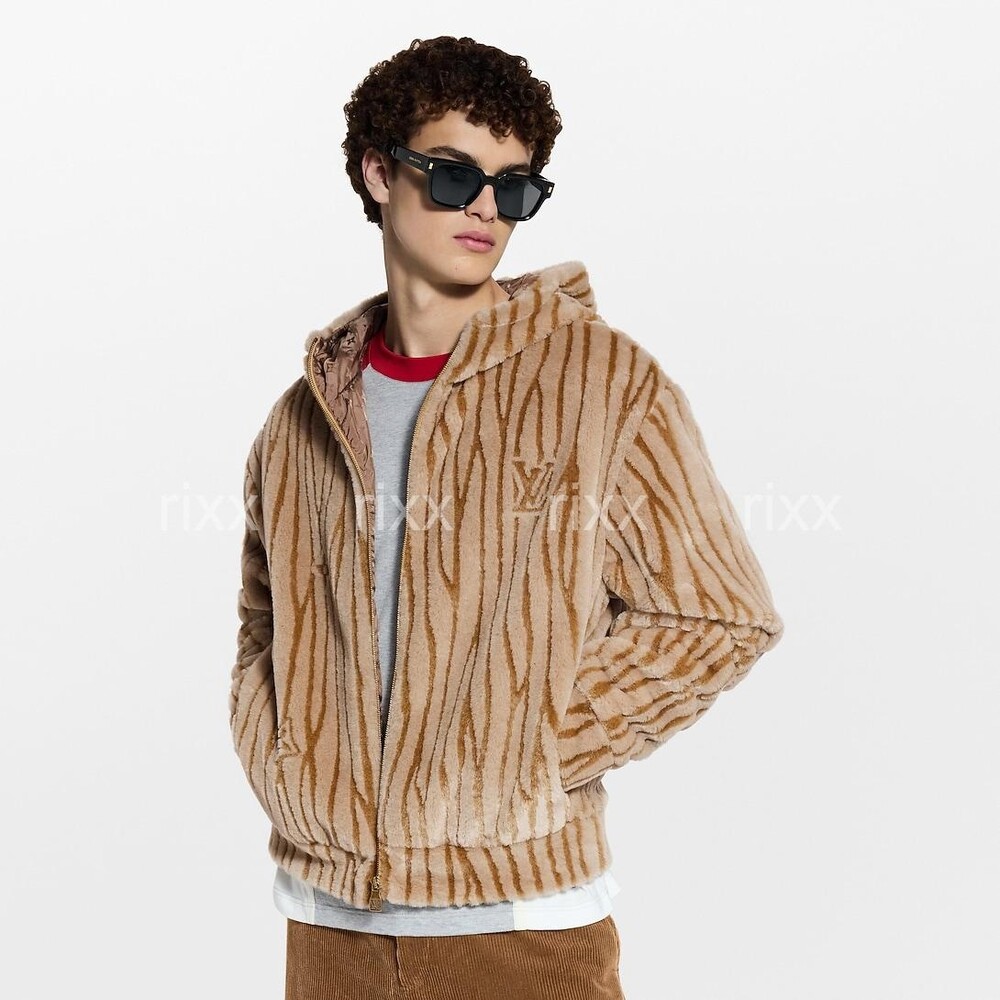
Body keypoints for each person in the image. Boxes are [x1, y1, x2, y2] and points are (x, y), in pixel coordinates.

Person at [228, 35, 784, 1000]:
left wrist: (520, 753)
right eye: (453, 176)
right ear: (378, 172)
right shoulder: (301, 419)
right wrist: (284, 759)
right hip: (328, 927)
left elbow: (717, 615)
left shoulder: (602, 382)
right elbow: (263, 625)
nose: (485, 207)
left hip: (517, 928)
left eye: (514, 187)